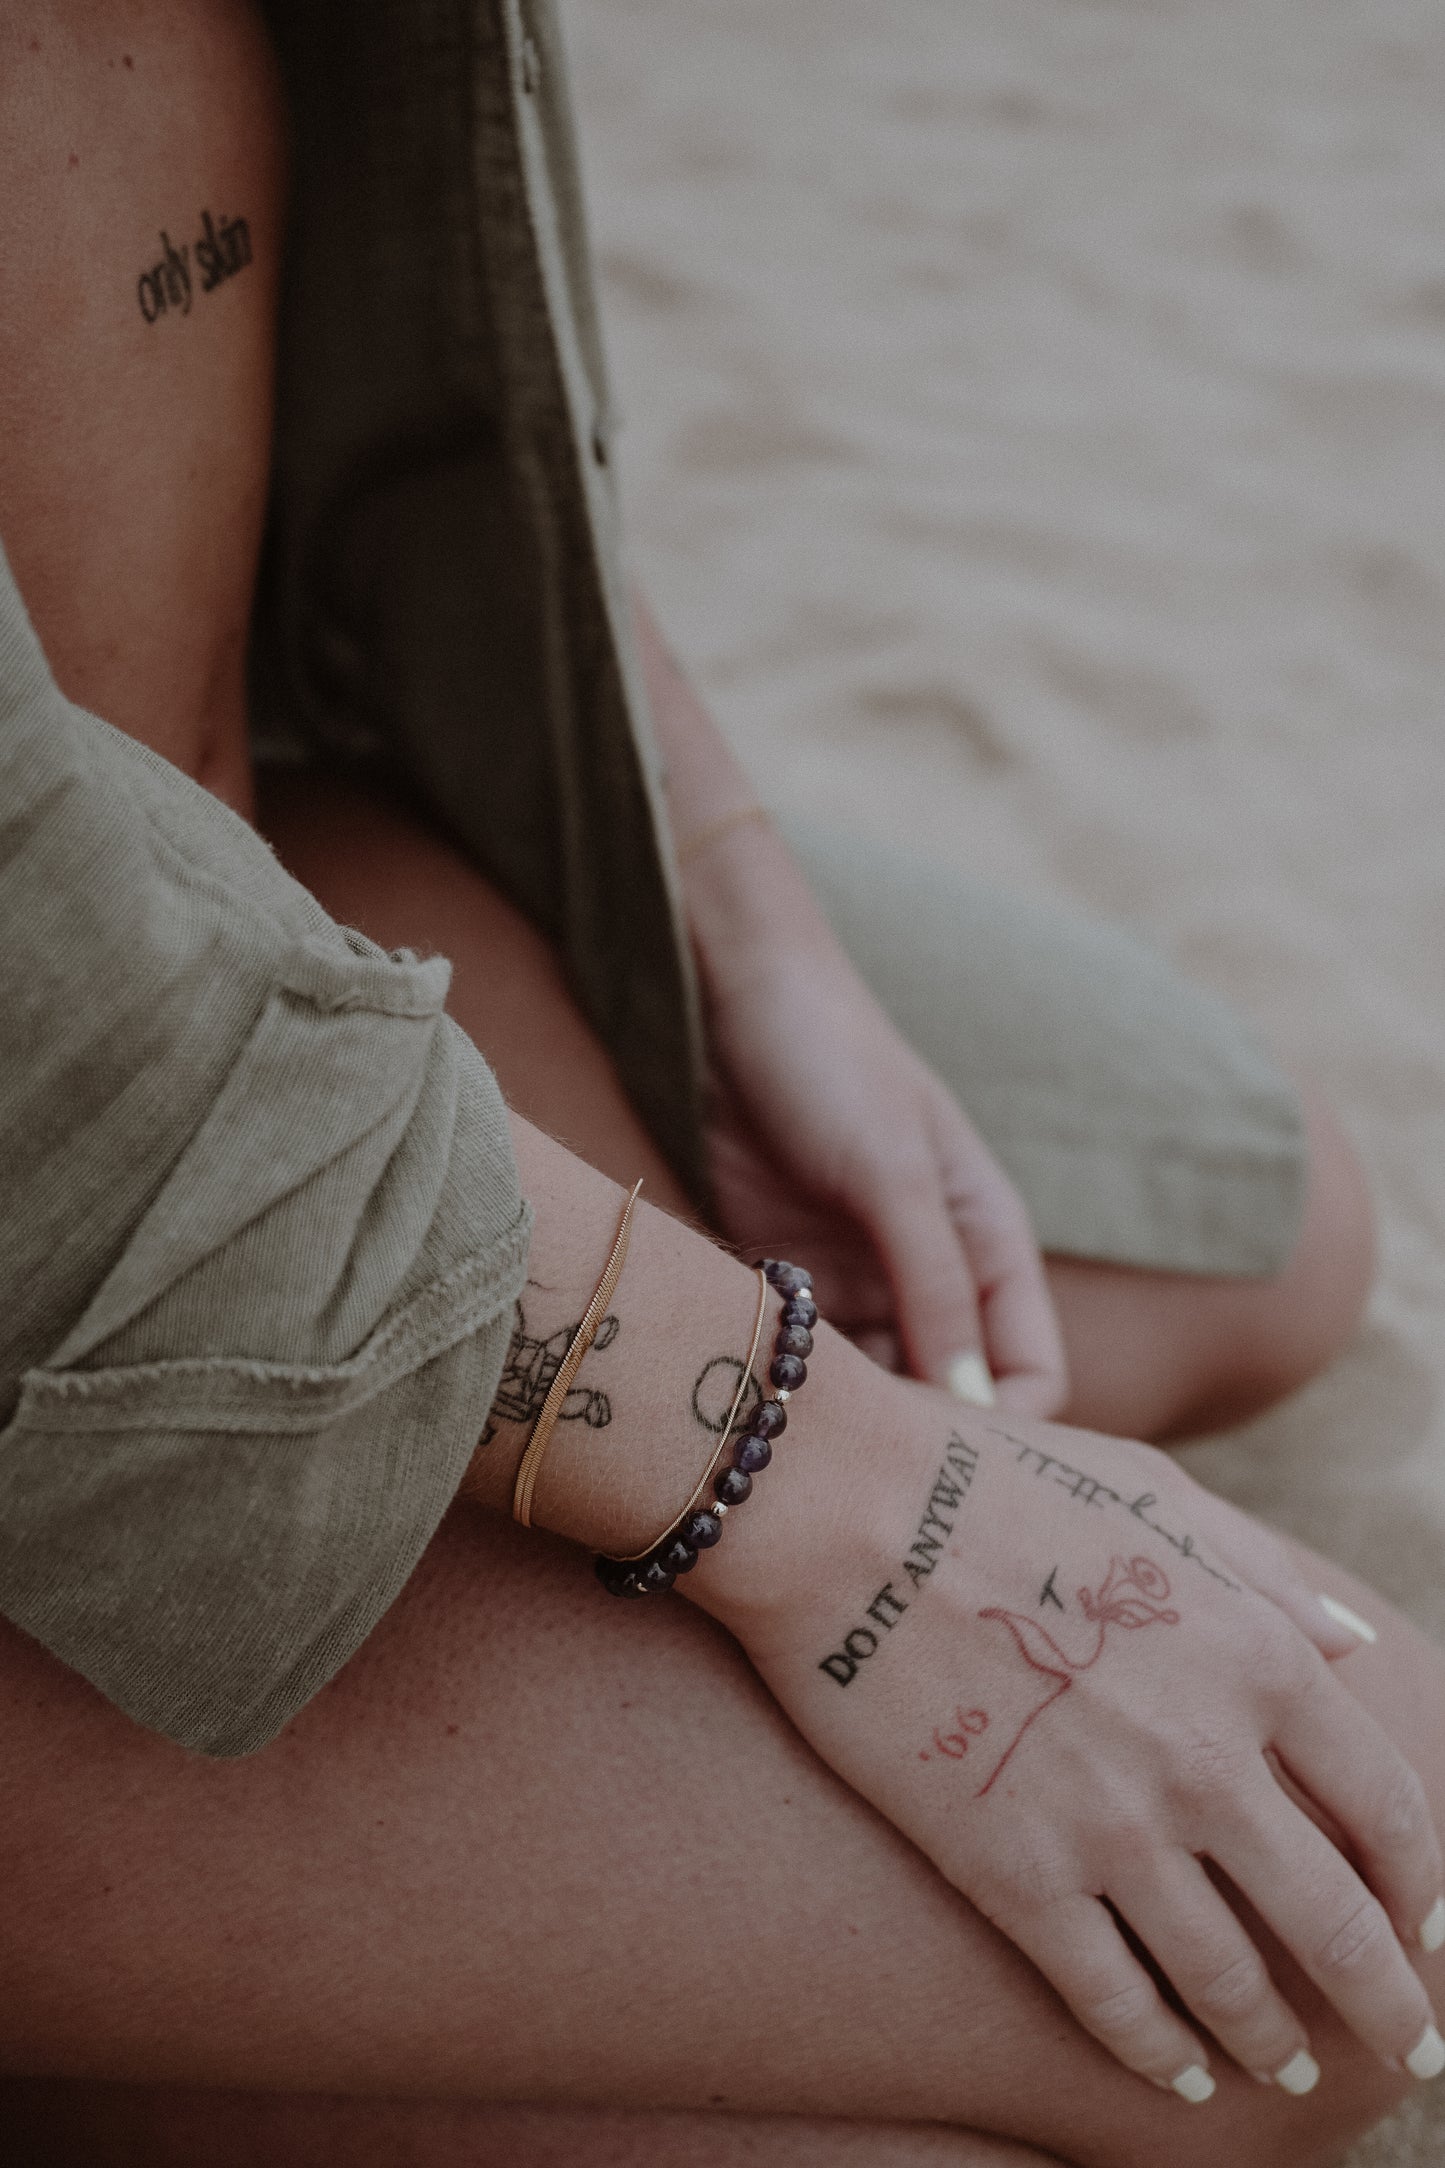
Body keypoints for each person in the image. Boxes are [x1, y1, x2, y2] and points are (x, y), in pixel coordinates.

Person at [1, 4, 1441, 2165]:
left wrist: (737, 913)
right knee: (1304, 1977)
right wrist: (847, 1496)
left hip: (250, 864)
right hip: (69, 1167)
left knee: (1265, 1228)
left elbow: (399, 408)